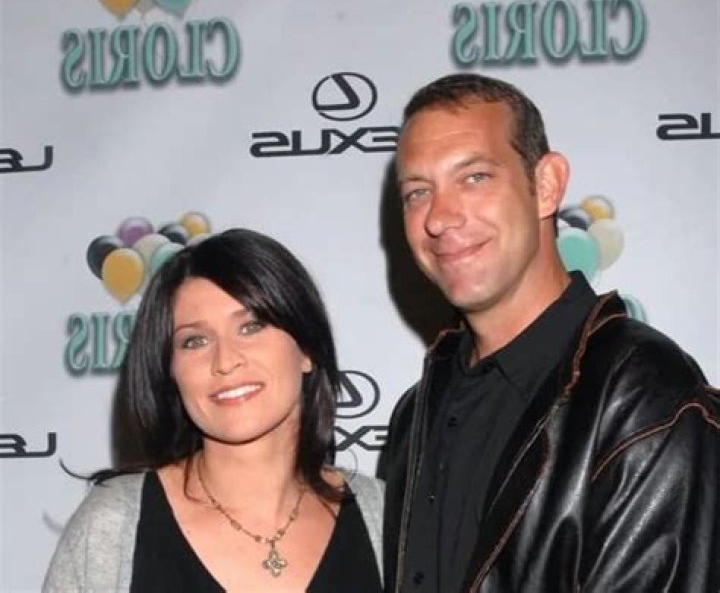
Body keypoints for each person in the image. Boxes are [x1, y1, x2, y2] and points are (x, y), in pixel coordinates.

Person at [378, 73, 720, 592]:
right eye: (418, 192)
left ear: (546, 185)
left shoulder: (645, 395)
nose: (440, 219)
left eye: (474, 177)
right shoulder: (416, 413)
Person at [44, 228, 384, 592]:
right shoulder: (112, 526)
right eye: (195, 341)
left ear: (306, 349)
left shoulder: (386, 516)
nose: (224, 361)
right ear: (170, 371)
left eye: (251, 326)